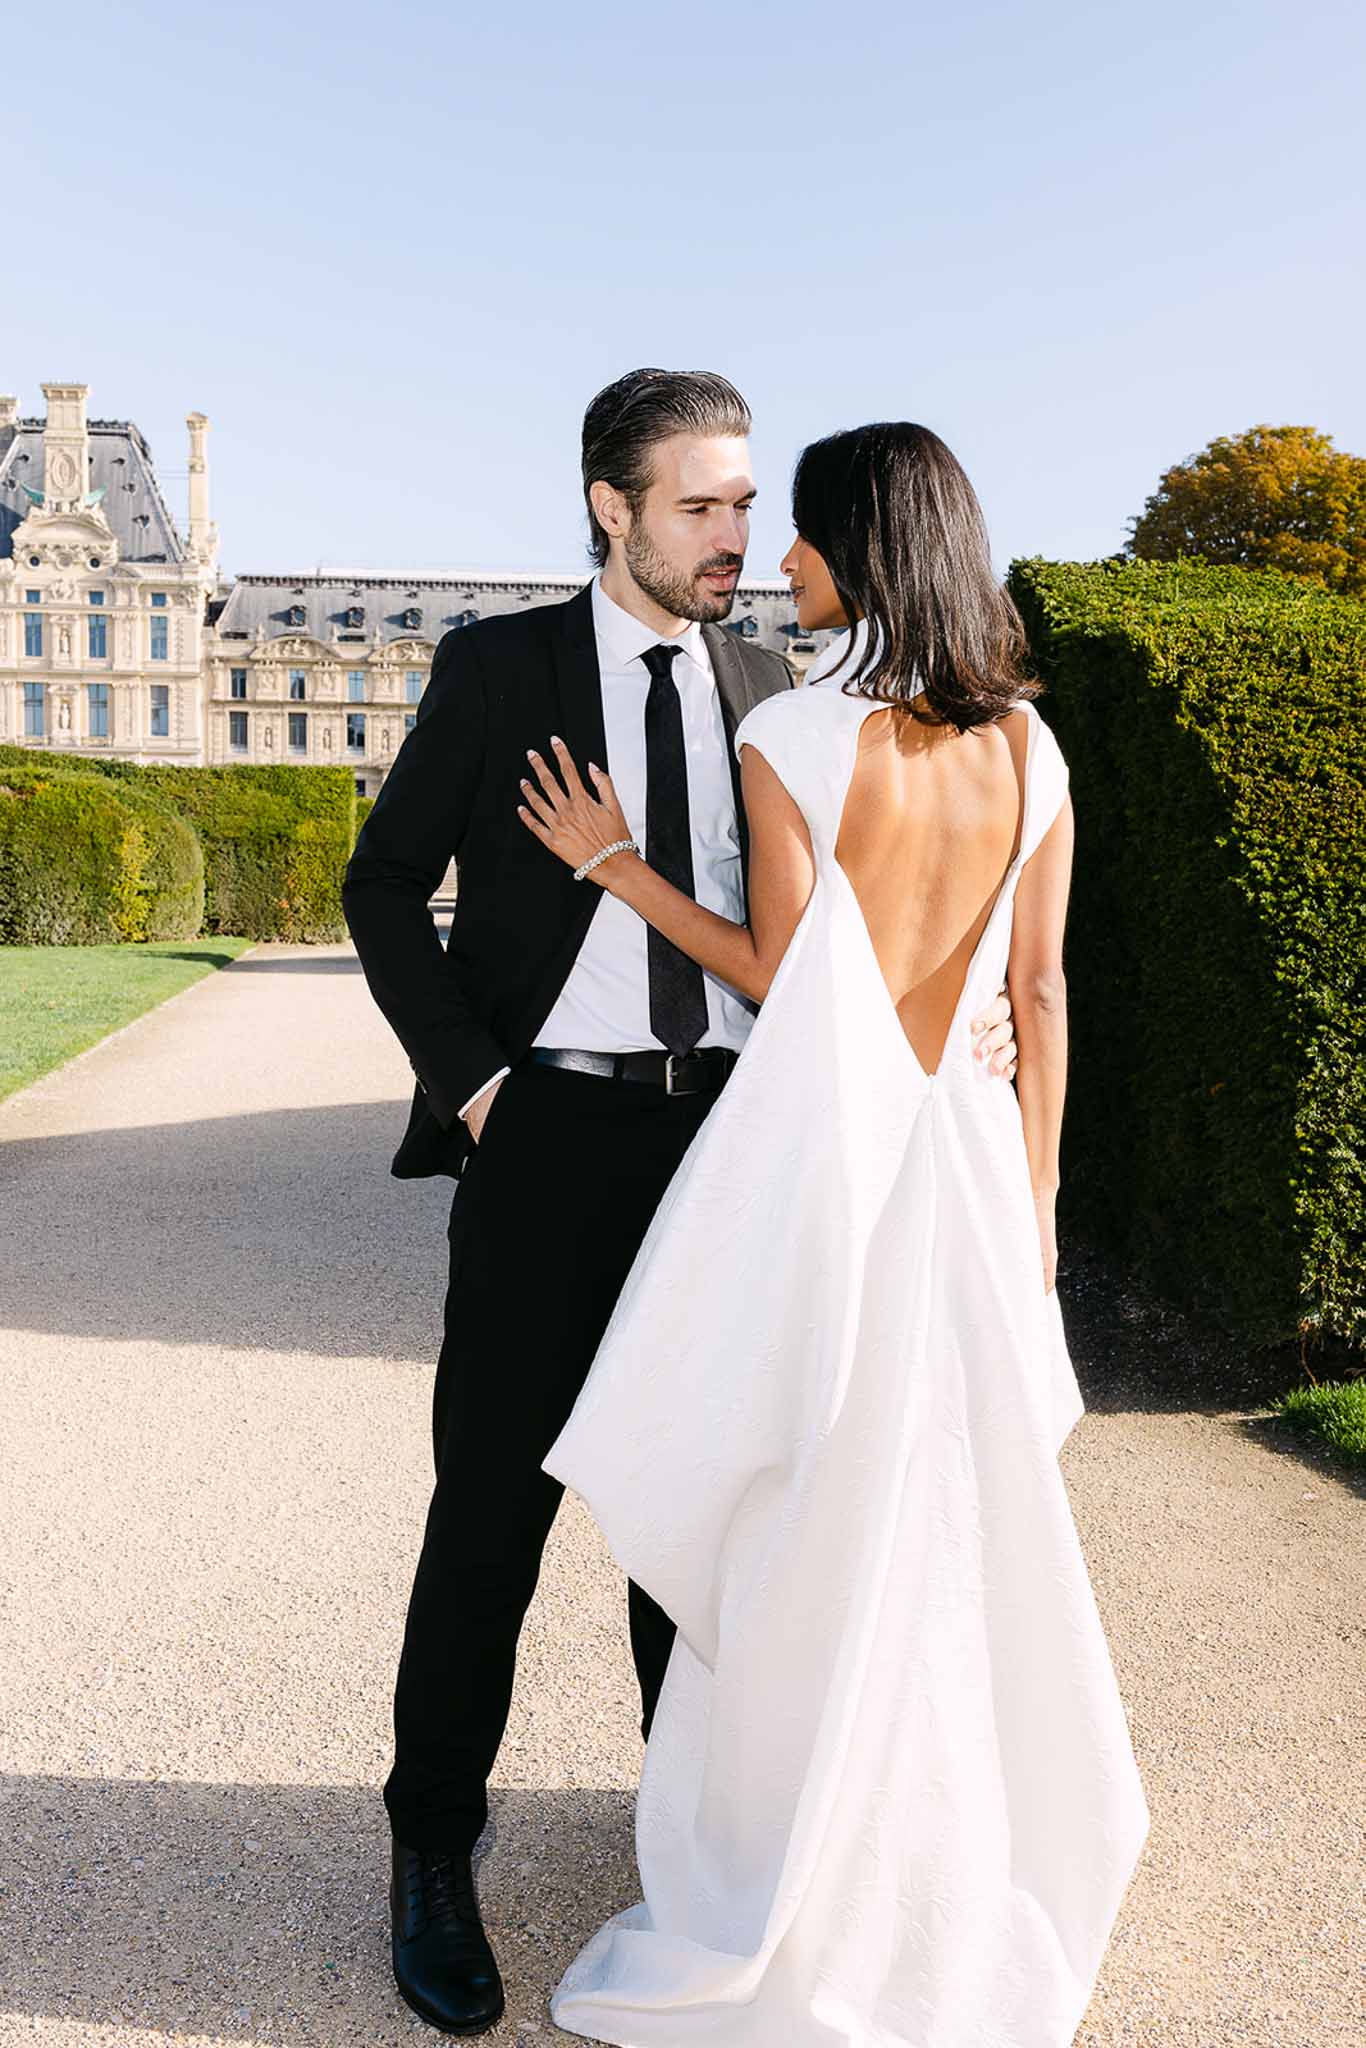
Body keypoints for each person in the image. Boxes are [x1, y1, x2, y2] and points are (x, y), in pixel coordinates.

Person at [341, 375, 1021, 2036]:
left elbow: (848, 935)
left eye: (743, 508)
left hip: (737, 1140)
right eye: (703, 507)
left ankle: (697, 1863)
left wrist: (971, 1006)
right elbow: (380, 886)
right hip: (549, 1131)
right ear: (611, 506)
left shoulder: (776, 680)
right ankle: (432, 1847)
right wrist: (481, 1086)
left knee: (709, 1523)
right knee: (492, 1512)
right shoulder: (496, 670)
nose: (738, 538)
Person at [523, 421, 1151, 2047]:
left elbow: (787, 986)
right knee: (948, 1530)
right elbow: (1038, 995)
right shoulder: (1033, 745)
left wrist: (615, 869)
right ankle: (947, 1875)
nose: (779, 562)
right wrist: (1038, 1205)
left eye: (801, 537)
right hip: (966, 1173)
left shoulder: (793, 736)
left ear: (862, 552)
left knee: (801, 1532)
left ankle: (798, 1881)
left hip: (833, 1174)